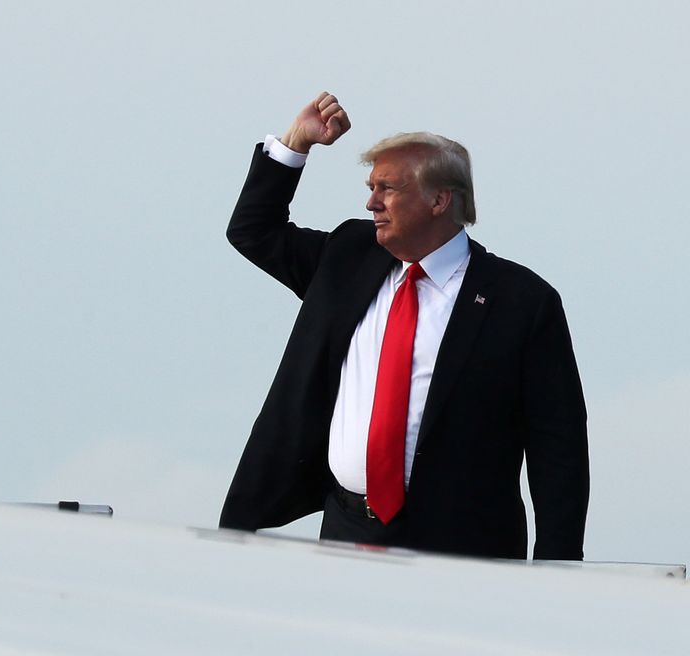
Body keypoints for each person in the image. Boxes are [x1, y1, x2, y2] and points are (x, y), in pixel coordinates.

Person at [219, 92, 589, 560]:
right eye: (371, 187)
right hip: (347, 530)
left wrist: (558, 565)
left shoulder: (522, 302)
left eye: (387, 188)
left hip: (464, 546)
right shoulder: (348, 257)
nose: (372, 202)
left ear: (440, 199)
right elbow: (252, 231)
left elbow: (559, 446)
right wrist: (296, 144)